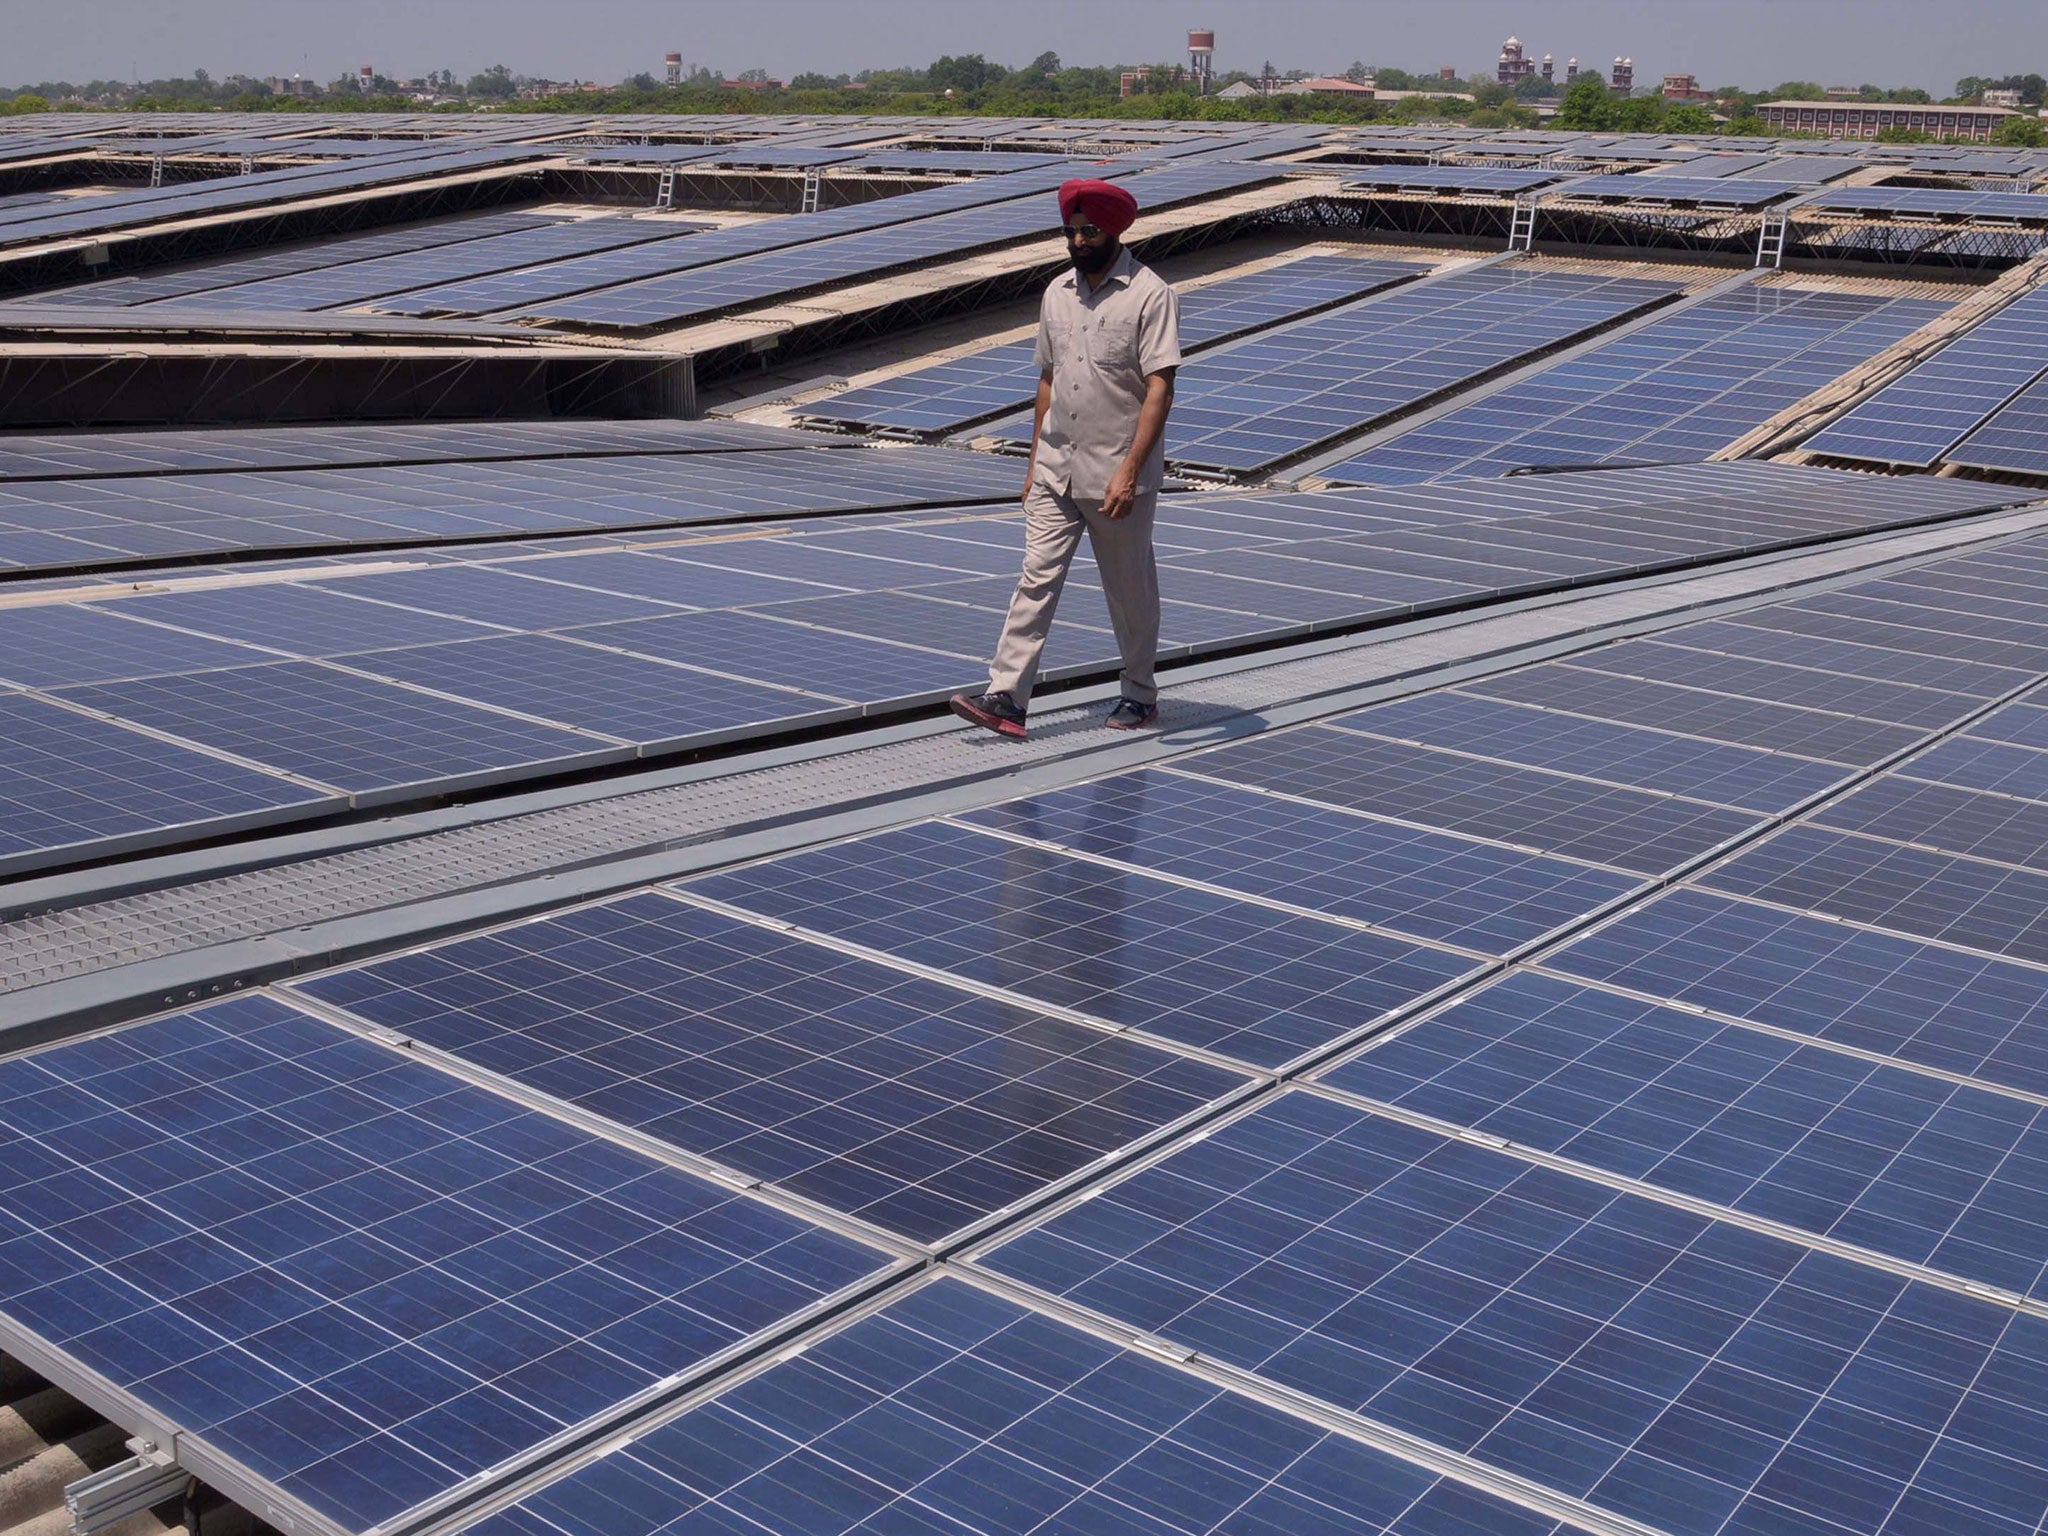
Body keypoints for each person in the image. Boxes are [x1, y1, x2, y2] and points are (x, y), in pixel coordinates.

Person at [949, 177, 1181, 740]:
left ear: (1114, 231)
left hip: (1115, 476)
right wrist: (1033, 465)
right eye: (1071, 232)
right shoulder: (1056, 293)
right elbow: (1048, 382)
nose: (1078, 241)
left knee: (1128, 592)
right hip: (1056, 468)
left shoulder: (1150, 294)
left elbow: (1160, 388)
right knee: (1036, 578)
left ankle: (1139, 693)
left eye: (1089, 231)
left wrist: (1129, 471)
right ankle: (1007, 695)